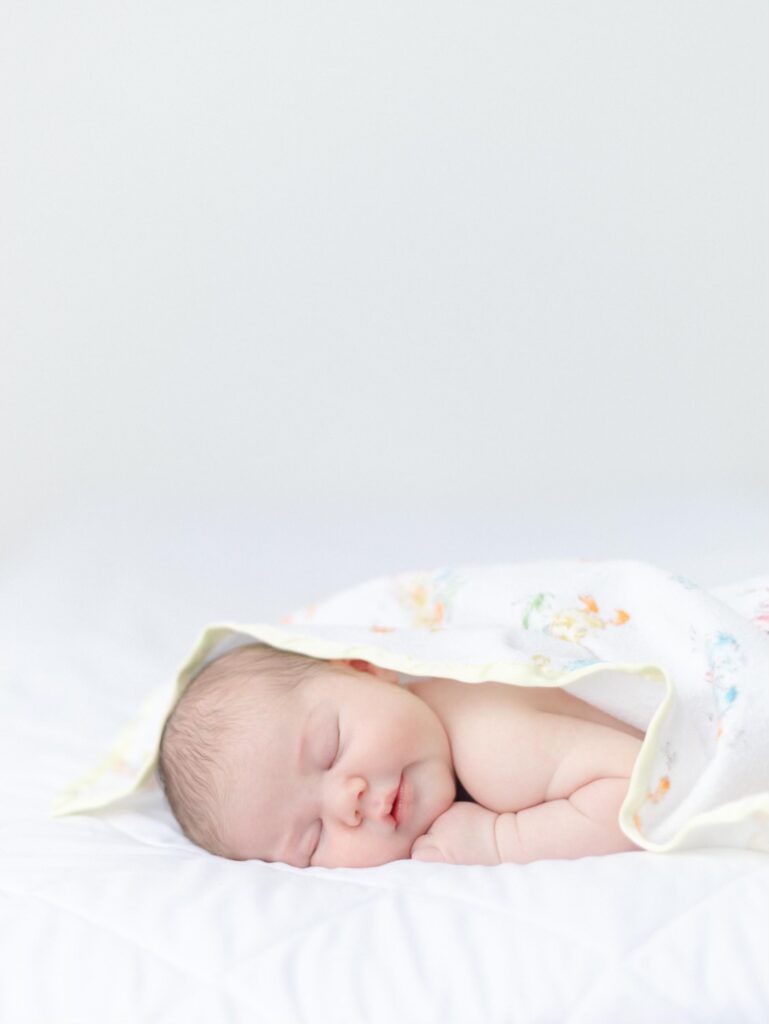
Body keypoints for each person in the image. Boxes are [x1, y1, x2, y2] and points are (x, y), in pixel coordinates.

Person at [157, 642, 645, 867]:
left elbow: (638, 793)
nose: (346, 802)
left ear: (367, 668)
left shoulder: (490, 748)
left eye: (331, 750)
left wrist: (503, 841)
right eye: (312, 840)